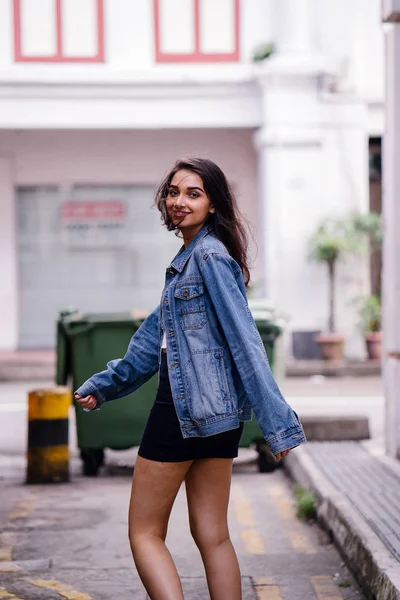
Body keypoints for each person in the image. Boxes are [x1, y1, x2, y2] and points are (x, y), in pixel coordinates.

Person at [74, 157, 307, 600]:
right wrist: (106, 384)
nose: (179, 201)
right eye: (174, 192)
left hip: (180, 410)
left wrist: (278, 426)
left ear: (214, 204)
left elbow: (245, 342)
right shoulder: (191, 259)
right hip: (219, 417)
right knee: (212, 534)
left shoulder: (209, 257)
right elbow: (152, 339)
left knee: (144, 533)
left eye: (193, 194)